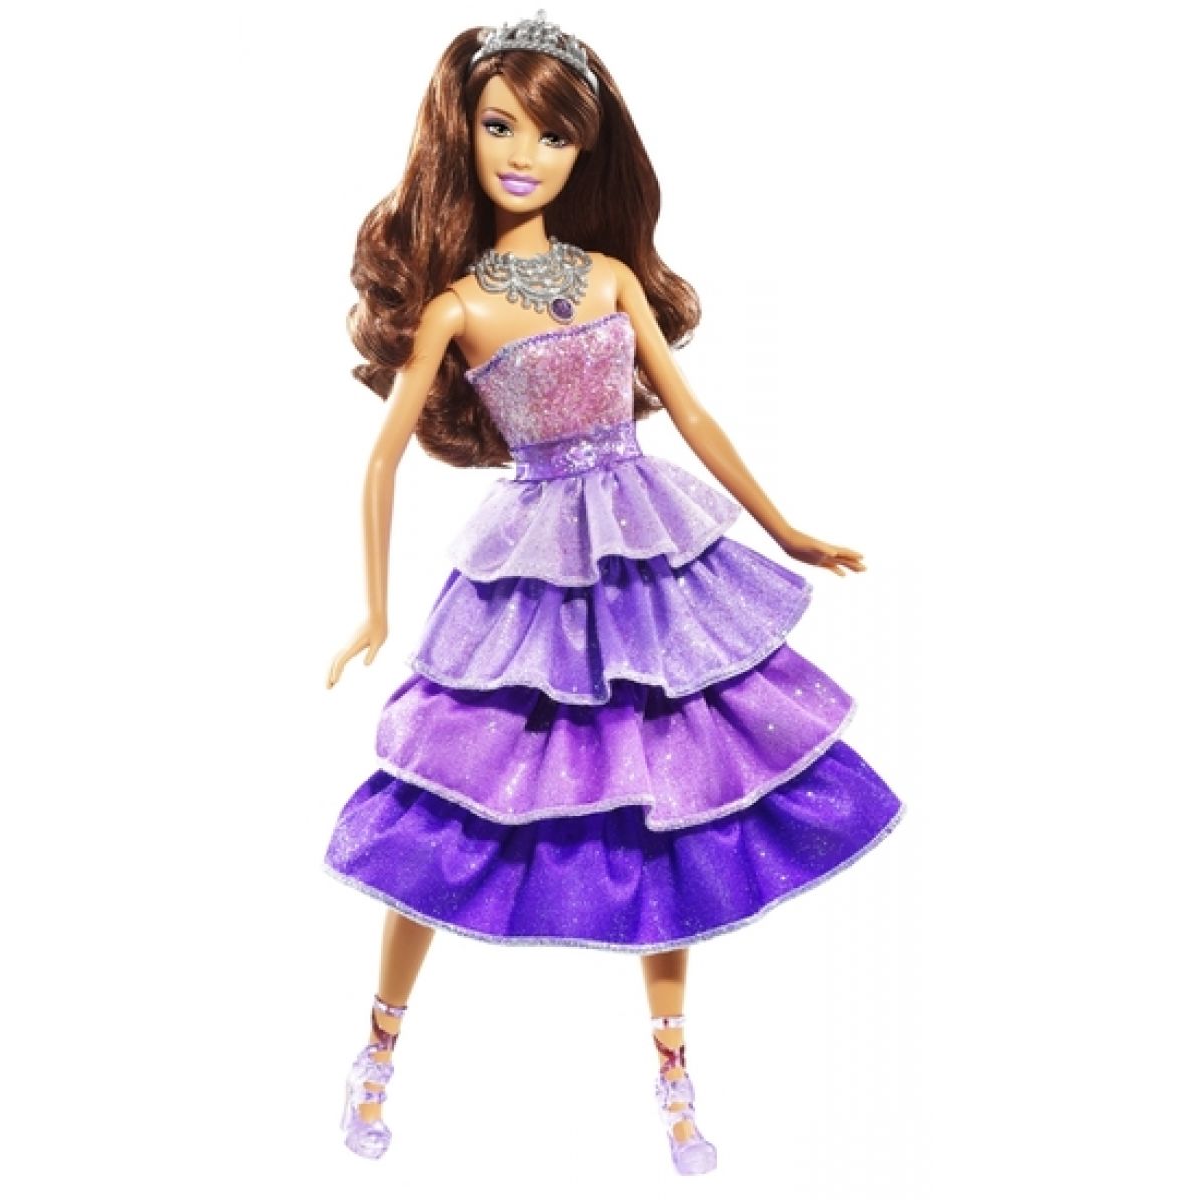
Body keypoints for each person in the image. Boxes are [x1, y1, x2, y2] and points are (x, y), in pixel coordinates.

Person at [323, 10, 905, 1175]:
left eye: (552, 135)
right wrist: (375, 610)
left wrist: (785, 527)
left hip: (644, 550)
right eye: (500, 126)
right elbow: (381, 458)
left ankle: (675, 1070)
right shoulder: (456, 306)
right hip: (533, 562)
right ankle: (379, 1045)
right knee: (459, 787)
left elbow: (690, 412)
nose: (524, 154)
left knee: (670, 789)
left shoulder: (610, 278)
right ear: (463, 133)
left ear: (586, 151)